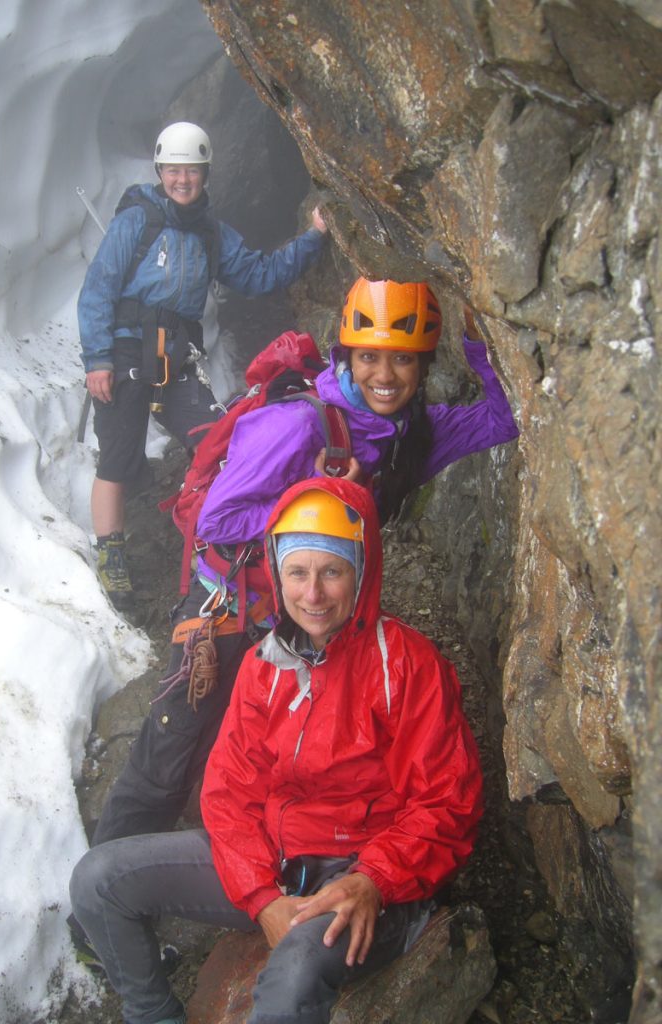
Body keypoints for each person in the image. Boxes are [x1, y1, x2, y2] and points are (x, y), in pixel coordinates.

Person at [88, 277, 518, 847]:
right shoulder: (296, 423)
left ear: (423, 366)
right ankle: (105, 905)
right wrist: (320, 494)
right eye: (369, 358)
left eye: (402, 361)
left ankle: (237, 872)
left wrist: (480, 342)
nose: (384, 377)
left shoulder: (408, 434)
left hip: (308, 615)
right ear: (347, 355)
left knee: (260, 752)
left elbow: (502, 418)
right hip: (235, 607)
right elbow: (220, 521)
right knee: (172, 750)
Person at [69, 477, 484, 1024]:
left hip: (363, 877)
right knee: (99, 880)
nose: (312, 594)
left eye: (332, 572)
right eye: (297, 572)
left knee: (293, 978)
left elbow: (446, 803)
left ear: (361, 573)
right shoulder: (265, 665)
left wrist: (374, 880)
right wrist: (261, 897)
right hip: (275, 863)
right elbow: (227, 792)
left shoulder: (406, 665)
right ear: (278, 574)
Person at [77, 120, 328, 608]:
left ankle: (218, 540)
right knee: (118, 459)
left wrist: (314, 237)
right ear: (161, 170)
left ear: (205, 174)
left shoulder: (213, 234)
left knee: (219, 444)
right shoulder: (138, 219)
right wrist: (98, 359)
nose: (182, 180)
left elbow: (259, 274)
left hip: (176, 359)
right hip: (127, 353)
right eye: (173, 170)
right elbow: (99, 289)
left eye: (190, 171)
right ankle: (112, 557)